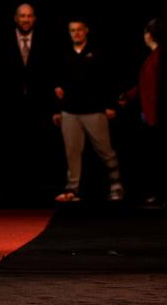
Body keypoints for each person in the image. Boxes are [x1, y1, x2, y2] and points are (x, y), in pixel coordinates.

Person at [0, 3, 61, 203]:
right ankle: (7, 191)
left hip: (37, 103)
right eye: (22, 16)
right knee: (8, 145)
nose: (26, 19)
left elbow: (53, 72)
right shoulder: (1, 40)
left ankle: (34, 191)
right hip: (8, 103)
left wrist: (55, 106)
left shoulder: (46, 41)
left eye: (29, 16)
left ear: (34, 19)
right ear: (16, 18)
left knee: (35, 146)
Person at [53, 18, 124, 203]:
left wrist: (110, 105)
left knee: (105, 150)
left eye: (79, 29)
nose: (76, 33)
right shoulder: (64, 54)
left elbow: (108, 80)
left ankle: (116, 185)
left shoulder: (97, 53)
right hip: (70, 111)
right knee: (72, 151)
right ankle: (72, 189)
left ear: (86, 30)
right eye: (72, 30)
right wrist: (57, 108)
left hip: (94, 110)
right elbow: (57, 84)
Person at [120, 18, 164, 207]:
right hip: (148, 112)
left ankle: (158, 193)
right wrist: (129, 96)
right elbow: (143, 85)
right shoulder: (153, 57)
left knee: (155, 156)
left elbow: (153, 88)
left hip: (153, 114)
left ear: (149, 34)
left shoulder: (158, 57)